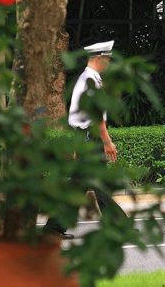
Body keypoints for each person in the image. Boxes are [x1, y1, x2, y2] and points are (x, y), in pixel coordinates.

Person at [42, 40, 127, 239]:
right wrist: (107, 141)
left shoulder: (88, 78)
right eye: (107, 59)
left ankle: (53, 228)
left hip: (85, 136)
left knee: (80, 185)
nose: (108, 63)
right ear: (99, 59)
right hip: (90, 137)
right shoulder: (90, 80)